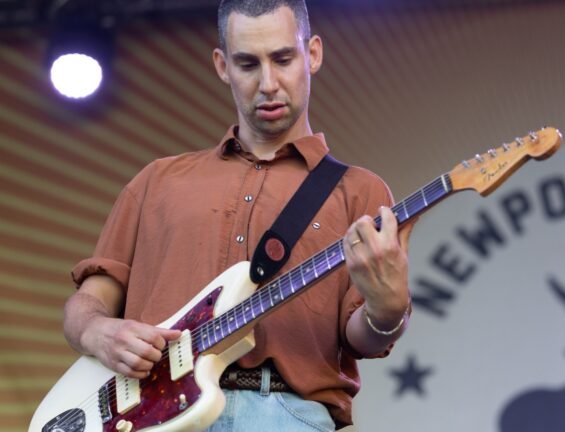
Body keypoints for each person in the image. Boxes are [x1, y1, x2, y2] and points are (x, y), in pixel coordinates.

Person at [62, 0, 413, 430]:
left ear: (314, 53)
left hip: (283, 411)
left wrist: (388, 308)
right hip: (149, 415)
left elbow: (361, 339)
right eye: (247, 64)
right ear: (222, 65)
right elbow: (88, 302)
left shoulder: (361, 191)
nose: (268, 83)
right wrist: (97, 332)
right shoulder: (157, 180)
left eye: (283, 59)